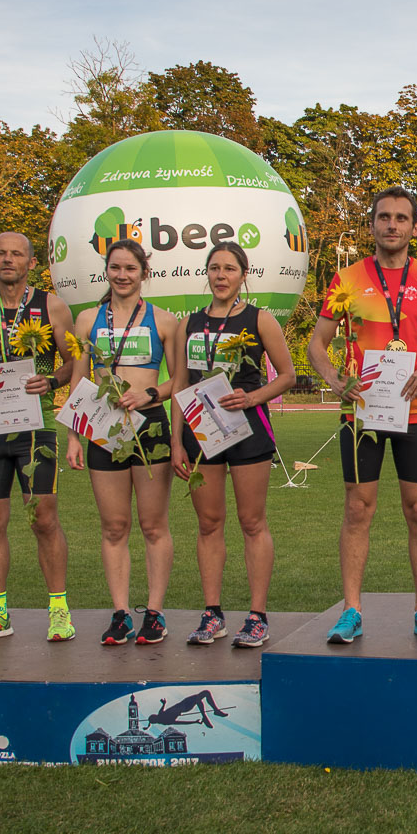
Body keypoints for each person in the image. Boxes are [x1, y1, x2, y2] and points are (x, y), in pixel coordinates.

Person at [309, 187, 417, 644]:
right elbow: (317, 342)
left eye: (400, 218)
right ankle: (351, 611)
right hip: (362, 411)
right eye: (383, 217)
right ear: (371, 225)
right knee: (358, 508)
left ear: (415, 228)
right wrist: (336, 379)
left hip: (416, 411)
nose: (392, 225)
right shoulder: (347, 279)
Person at [0, 232, 78, 644]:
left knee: (43, 518)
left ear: (31, 262)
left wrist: (53, 379)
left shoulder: (51, 305)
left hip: (34, 429)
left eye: (17, 254)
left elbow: (74, 362)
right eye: (1, 253)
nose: (8, 260)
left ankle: (58, 610)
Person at [170, 242, 296, 648]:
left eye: (229, 268)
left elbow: (287, 376)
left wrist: (252, 398)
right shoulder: (186, 324)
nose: (221, 275)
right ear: (206, 273)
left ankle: (257, 616)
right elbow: (179, 384)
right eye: (214, 268)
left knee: (252, 522)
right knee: (208, 524)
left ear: (244, 274)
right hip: (200, 431)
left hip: (247, 428)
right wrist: (176, 440)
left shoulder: (259, 319)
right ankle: (212, 614)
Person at [64, 240, 183, 647]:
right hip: (103, 428)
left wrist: (150, 396)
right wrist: (74, 437)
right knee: (114, 526)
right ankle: (119, 614)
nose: (122, 275)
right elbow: (81, 381)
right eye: (115, 267)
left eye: (130, 268)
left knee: (153, 525)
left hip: (149, 426)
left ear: (143, 272)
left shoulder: (165, 321)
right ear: (106, 271)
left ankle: (154, 612)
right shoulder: (86, 320)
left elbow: (180, 380)